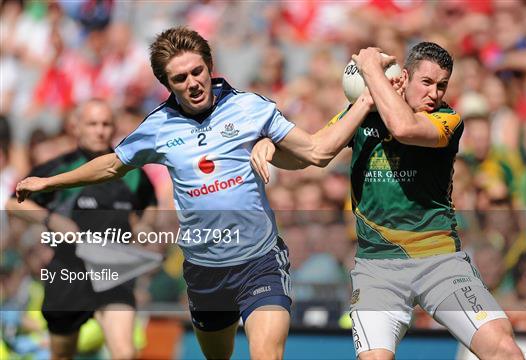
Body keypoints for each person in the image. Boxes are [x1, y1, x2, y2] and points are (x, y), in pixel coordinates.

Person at [13, 26, 396, 359]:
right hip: (204, 271)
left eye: (197, 71)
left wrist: (364, 99)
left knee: (266, 353)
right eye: (180, 78)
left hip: (259, 262)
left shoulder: (250, 108)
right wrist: (48, 183)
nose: (192, 82)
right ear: (167, 84)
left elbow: (316, 151)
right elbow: (112, 164)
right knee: (218, 354)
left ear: (210, 66)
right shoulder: (157, 127)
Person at [250, 42, 524, 360]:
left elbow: (403, 127)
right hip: (377, 268)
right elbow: (315, 153)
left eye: (442, 85)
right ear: (404, 78)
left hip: (440, 261)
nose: (435, 93)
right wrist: (272, 148)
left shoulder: (447, 120)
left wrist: (369, 67)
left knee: (504, 350)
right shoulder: (363, 113)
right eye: (427, 83)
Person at [7, 99, 158, 359]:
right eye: (92, 124)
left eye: (106, 124)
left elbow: (150, 205)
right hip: (69, 273)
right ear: (76, 127)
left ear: (114, 128)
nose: (100, 130)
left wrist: (144, 227)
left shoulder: (130, 172)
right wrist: (51, 219)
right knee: (63, 354)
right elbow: (13, 203)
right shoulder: (59, 169)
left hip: (114, 273)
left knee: (124, 353)